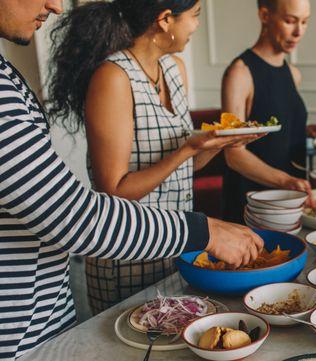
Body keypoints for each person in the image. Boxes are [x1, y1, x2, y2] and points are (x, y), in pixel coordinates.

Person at [0, 1, 262, 359]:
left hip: (45, 325)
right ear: (165, 19)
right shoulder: (112, 76)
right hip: (21, 336)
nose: (57, 6)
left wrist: (214, 145)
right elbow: (73, 215)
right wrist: (205, 230)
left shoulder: (6, 76)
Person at [221, 0, 316, 222]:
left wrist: (307, 130)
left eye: (304, 22)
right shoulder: (240, 73)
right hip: (254, 205)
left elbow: (274, 124)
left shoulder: (293, 73)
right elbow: (233, 153)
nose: (298, 31)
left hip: (290, 200)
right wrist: (286, 181)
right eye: (290, 21)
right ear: (264, 15)